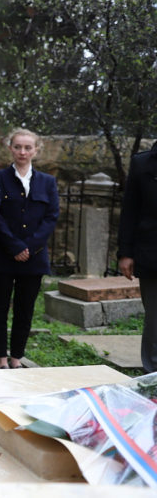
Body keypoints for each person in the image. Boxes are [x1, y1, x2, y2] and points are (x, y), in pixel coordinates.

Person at [0, 129, 59, 369]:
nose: (22, 152)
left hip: (33, 258)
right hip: (2, 255)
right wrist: (14, 245)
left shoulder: (47, 182)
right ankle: (1, 358)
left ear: (36, 150)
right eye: (17, 147)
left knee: (25, 309)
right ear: (10, 148)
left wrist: (30, 246)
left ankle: (16, 357)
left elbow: (51, 216)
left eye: (28, 148)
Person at [117, 141, 157, 373]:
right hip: (152, 252)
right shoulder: (142, 163)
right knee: (155, 319)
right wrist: (125, 252)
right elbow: (130, 211)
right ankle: (153, 375)